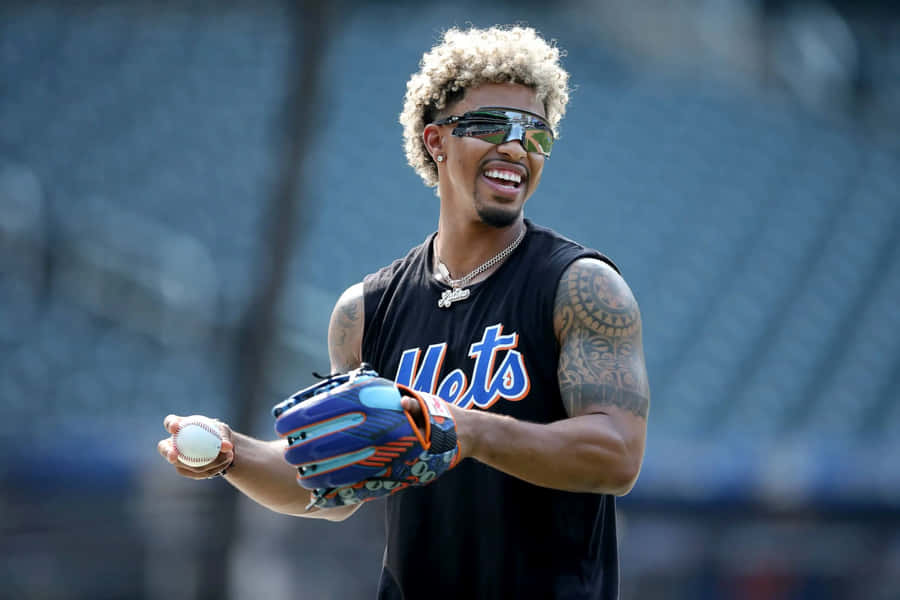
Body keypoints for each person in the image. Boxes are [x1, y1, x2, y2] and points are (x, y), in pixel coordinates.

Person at [158, 25, 649, 600]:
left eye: (535, 133)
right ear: (436, 140)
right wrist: (230, 453)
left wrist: (467, 430)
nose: (517, 148)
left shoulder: (581, 285)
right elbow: (327, 484)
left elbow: (617, 456)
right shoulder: (366, 310)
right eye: (491, 125)